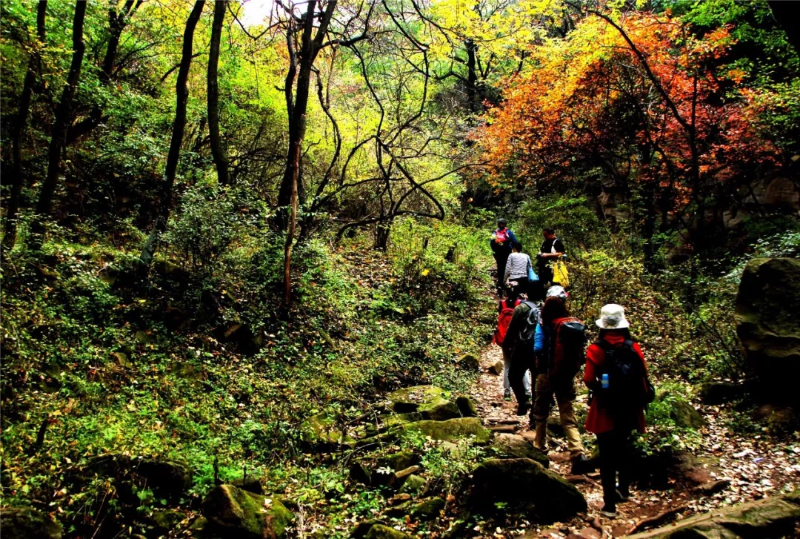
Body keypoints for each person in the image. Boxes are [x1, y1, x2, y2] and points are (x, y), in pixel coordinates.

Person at [584, 304, 648, 518]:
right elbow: (643, 375)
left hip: (605, 408)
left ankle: (610, 505)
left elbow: (588, 379)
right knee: (624, 448)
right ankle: (625, 489)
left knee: (607, 456)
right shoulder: (633, 347)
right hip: (630, 407)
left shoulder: (596, 348)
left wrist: (600, 389)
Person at [532, 287, 590, 474]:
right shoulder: (569, 324)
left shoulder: (544, 324)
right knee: (567, 413)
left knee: (541, 412)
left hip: (546, 374)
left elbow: (538, 347)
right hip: (566, 375)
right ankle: (577, 451)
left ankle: (539, 445)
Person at [501, 297, 539, 415]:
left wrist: (506, 344)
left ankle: (523, 402)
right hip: (541, 349)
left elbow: (512, 329)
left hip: (523, 347)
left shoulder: (521, 308)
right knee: (536, 380)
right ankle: (535, 413)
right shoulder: (547, 307)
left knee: (513, 375)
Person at [494, 295, 532, 401]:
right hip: (518, 341)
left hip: (505, 340)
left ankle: (507, 393)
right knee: (523, 368)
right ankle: (527, 392)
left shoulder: (502, 304)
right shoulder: (521, 305)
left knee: (507, 366)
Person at [490, 218, 518, 294]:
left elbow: (492, 243)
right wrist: (510, 247)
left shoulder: (495, 232)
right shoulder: (509, 232)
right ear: (506, 224)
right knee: (507, 267)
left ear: (498, 224)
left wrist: (495, 250)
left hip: (498, 253)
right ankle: (505, 283)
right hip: (507, 252)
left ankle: (500, 283)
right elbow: (515, 241)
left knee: (500, 267)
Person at [535, 227, 565, 291]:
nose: (545, 237)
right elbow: (541, 251)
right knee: (542, 282)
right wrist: (539, 254)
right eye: (544, 235)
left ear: (551, 234)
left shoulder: (557, 242)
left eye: (546, 235)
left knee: (553, 282)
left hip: (553, 266)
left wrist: (547, 255)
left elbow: (561, 253)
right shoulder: (545, 242)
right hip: (543, 266)